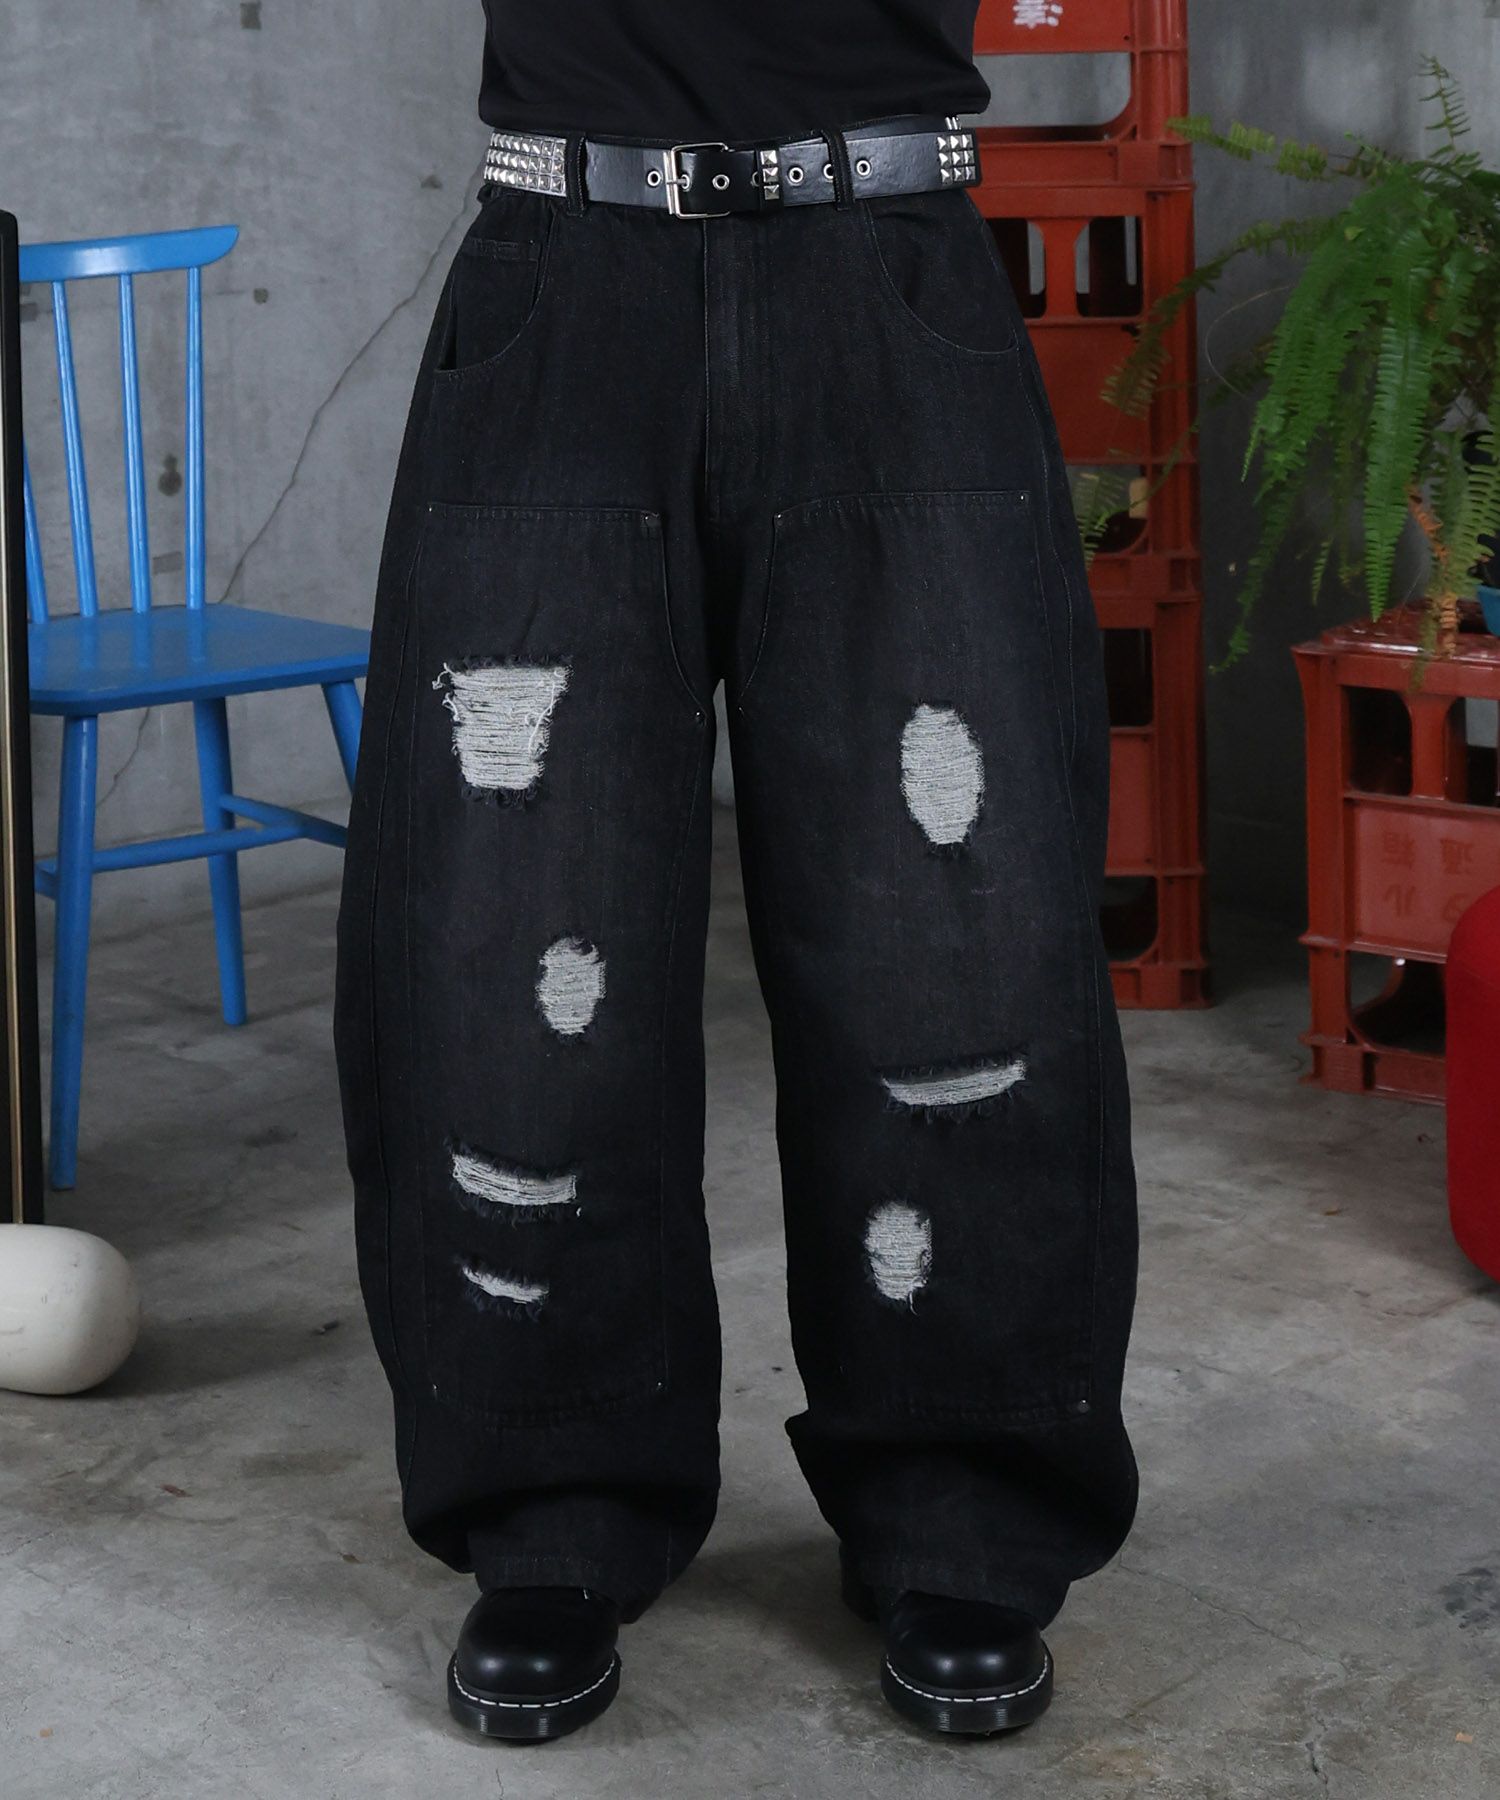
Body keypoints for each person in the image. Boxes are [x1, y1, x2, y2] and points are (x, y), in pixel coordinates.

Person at [334, 0, 1139, 1742]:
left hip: (885, 262)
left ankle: (964, 1508)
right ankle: (550, 1502)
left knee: (956, 940)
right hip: (565, 271)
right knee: (511, 927)